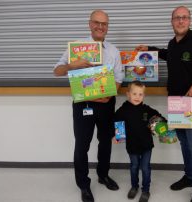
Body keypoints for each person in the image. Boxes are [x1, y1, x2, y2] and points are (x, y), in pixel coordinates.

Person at [135, 6, 192, 202]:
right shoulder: (173, 43)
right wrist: (149, 49)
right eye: (177, 18)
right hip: (176, 102)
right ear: (172, 21)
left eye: (184, 18)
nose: (181, 21)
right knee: (184, 143)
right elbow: (169, 54)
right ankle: (189, 177)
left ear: (189, 20)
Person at [54, 10, 124, 202]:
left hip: (106, 104)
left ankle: (103, 175)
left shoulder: (114, 50)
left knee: (105, 141)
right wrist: (72, 65)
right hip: (83, 104)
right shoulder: (76, 48)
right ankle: (84, 185)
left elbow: (119, 77)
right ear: (89, 24)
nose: (100, 27)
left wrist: (110, 94)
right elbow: (57, 71)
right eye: (97, 22)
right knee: (82, 145)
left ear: (107, 27)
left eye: (104, 24)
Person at [114, 81, 166, 202]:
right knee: (134, 166)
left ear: (144, 96)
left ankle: (146, 190)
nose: (137, 97)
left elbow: (159, 117)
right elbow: (116, 122)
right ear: (128, 94)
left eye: (140, 94)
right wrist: (115, 135)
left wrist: (166, 124)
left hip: (146, 145)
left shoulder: (147, 110)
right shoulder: (123, 110)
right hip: (132, 146)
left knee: (146, 168)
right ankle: (134, 187)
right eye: (134, 94)